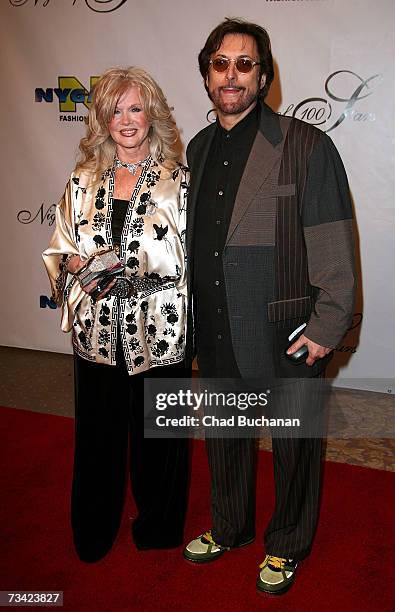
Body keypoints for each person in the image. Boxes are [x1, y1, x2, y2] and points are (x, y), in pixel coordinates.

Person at [183, 19, 356, 594]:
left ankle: (287, 543)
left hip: (289, 328)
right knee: (226, 436)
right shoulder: (199, 147)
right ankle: (230, 526)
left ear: (264, 75)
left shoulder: (305, 144)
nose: (231, 75)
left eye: (245, 63)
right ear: (207, 73)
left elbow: (332, 242)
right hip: (217, 327)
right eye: (220, 63)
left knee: (294, 445)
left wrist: (329, 325)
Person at [43, 67, 190, 562]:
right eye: (114, 110)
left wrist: (138, 267)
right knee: (98, 439)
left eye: (134, 108)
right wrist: (74, 264)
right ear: (102, 120)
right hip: (98, 333)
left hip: (161, 331)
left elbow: (189, 261)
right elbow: (58, 249)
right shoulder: (82, 180)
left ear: (152, 114)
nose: (125, 120)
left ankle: (160, 525)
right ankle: (94, 528)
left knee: (159, 439)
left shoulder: (178, 182)